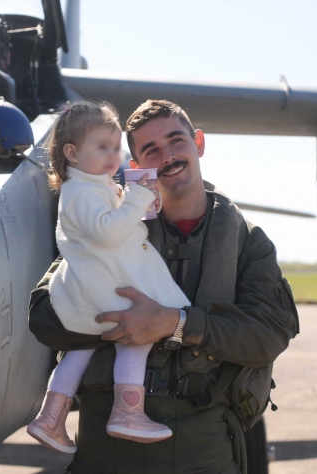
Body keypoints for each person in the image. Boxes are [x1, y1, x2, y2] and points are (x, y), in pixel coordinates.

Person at [29, 99, 300, 473]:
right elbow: (43, 315)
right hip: (106, 453)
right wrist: (116, 321)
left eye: (176, 141)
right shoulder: (108, 229)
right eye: (151, 150)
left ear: (198, 143)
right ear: (137, 166)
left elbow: (268, 335)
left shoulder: (245, 241)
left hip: (201, 447)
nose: (168, 155)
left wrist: (174, 323)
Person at [26, 101, 192, 453]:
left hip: (88, 293)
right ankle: (128, 411)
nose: (112, 155)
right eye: (102, 147)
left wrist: (140, 205)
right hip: (104, 290)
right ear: (72, 152)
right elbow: (108, 233)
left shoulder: (89, 185)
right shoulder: (82, 192)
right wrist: (135, 202)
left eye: (115, 147)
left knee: (80, 349)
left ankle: (51, 417)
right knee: (138, 333)